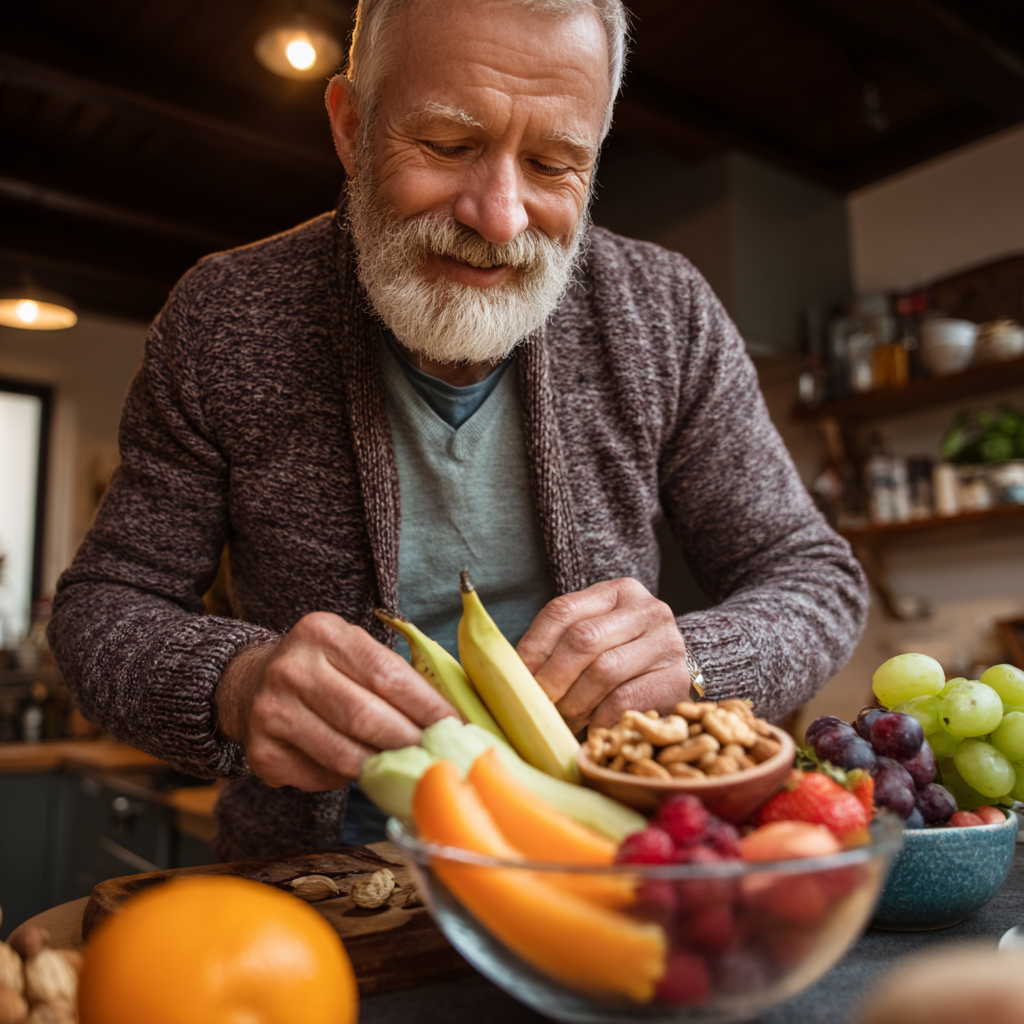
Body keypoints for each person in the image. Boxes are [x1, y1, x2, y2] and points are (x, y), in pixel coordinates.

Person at [48, 0, 868, 860]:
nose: (499, 218)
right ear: (351, 127)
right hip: (320, 873)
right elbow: (103, 609)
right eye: (446, 146)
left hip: (615, 856)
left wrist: (700, 660)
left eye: (554, 164)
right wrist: (233, 681)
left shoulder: (665, 312)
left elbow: (813, 576)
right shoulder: (222, 319)